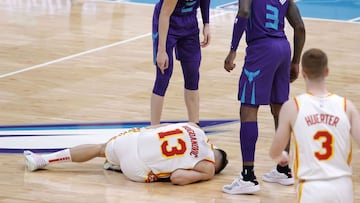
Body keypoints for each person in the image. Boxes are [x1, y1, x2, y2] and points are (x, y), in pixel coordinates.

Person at [222, 0, 306, 195]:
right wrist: (295, 61)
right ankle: (283, 170)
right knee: (279, 110)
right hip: (283, 48)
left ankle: (248, 176)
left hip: (261, 49)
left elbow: (243, 12)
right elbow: (300, 27)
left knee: (248, 109)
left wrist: (232, 50)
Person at [269, 48, 360, 203]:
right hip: (342, 186)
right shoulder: (346, 106)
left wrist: (281, 157)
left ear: (303, 73)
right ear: (327, 71)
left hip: (312, 187)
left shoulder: (292, 107)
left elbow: (275, 150)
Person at [24, 122, 228, 186]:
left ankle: (43, 159)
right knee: (158, 170)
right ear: (217, 168)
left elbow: (158, 126)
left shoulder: (196, 128)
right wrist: (201, 176)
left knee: (99, 148)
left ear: (214, 146)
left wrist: (141, 132)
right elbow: (177, 178)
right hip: (137, 168)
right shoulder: (208, 168)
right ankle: (117, 166)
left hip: (131, 141)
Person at [151, 0, 211, 126]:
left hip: (189, 24)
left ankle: (195, 127)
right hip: (167, 23)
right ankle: (154, 127)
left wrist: (206, 24)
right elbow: (165, 14)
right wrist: (161, 50)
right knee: (163, 75)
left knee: (193, 75)